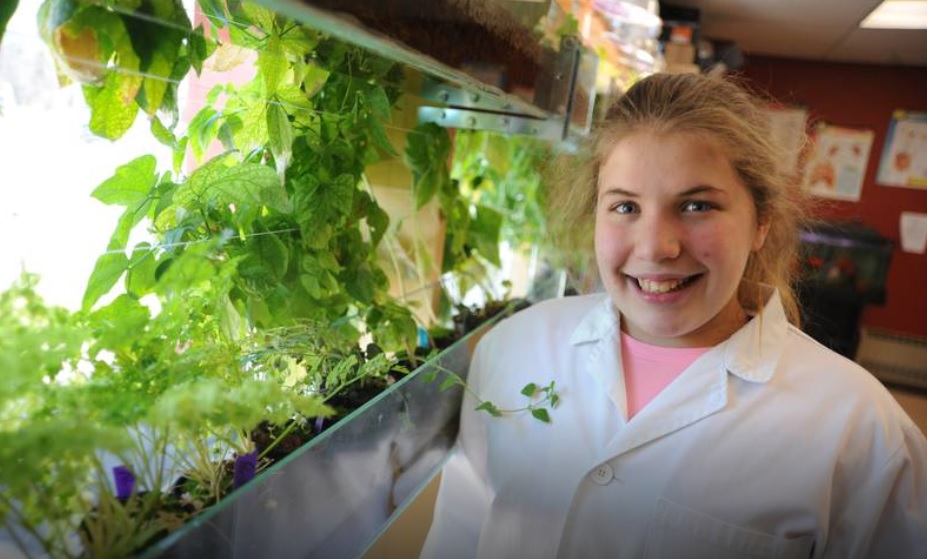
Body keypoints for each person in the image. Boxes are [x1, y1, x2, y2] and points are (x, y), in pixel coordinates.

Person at [419, 72, 927, 559]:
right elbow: (460, 534)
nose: (656, 247)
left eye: (697, 206)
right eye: (624, 207)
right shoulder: (512, 349)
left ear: (761, 224)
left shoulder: (860, 431)